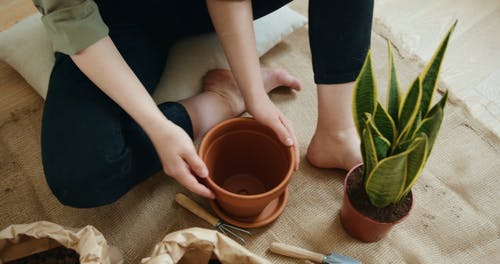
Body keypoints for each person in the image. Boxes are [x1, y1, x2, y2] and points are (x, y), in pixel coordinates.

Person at [33, 0, 373, 208]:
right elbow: (73, 17)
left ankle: (336, 134)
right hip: (114, 20)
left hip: (199, 7)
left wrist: (255, 93)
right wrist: (159, 125)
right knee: (80, 175)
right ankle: (221, 100)